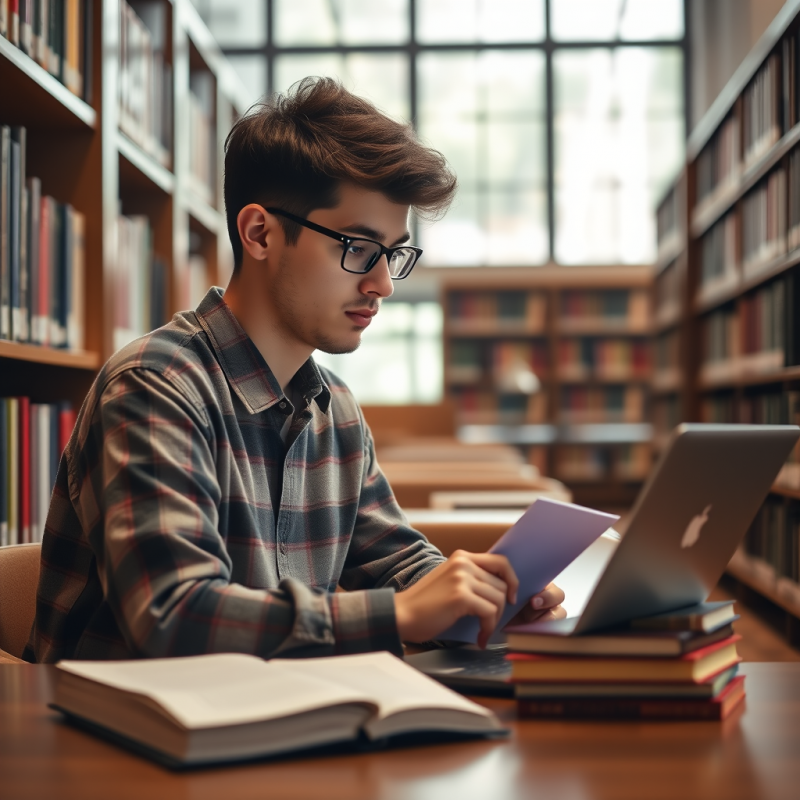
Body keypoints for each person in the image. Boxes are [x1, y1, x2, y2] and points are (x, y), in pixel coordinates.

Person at [25, 78, 564, 663]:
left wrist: (486, 599)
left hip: (279, 721)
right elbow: (171, 614)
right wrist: (399, 615)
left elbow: (396, 563)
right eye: (358, 247)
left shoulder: (335, 408)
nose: (382, 284)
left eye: (393, 255)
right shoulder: (156, 384)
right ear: (261, 233)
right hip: (118, 741)